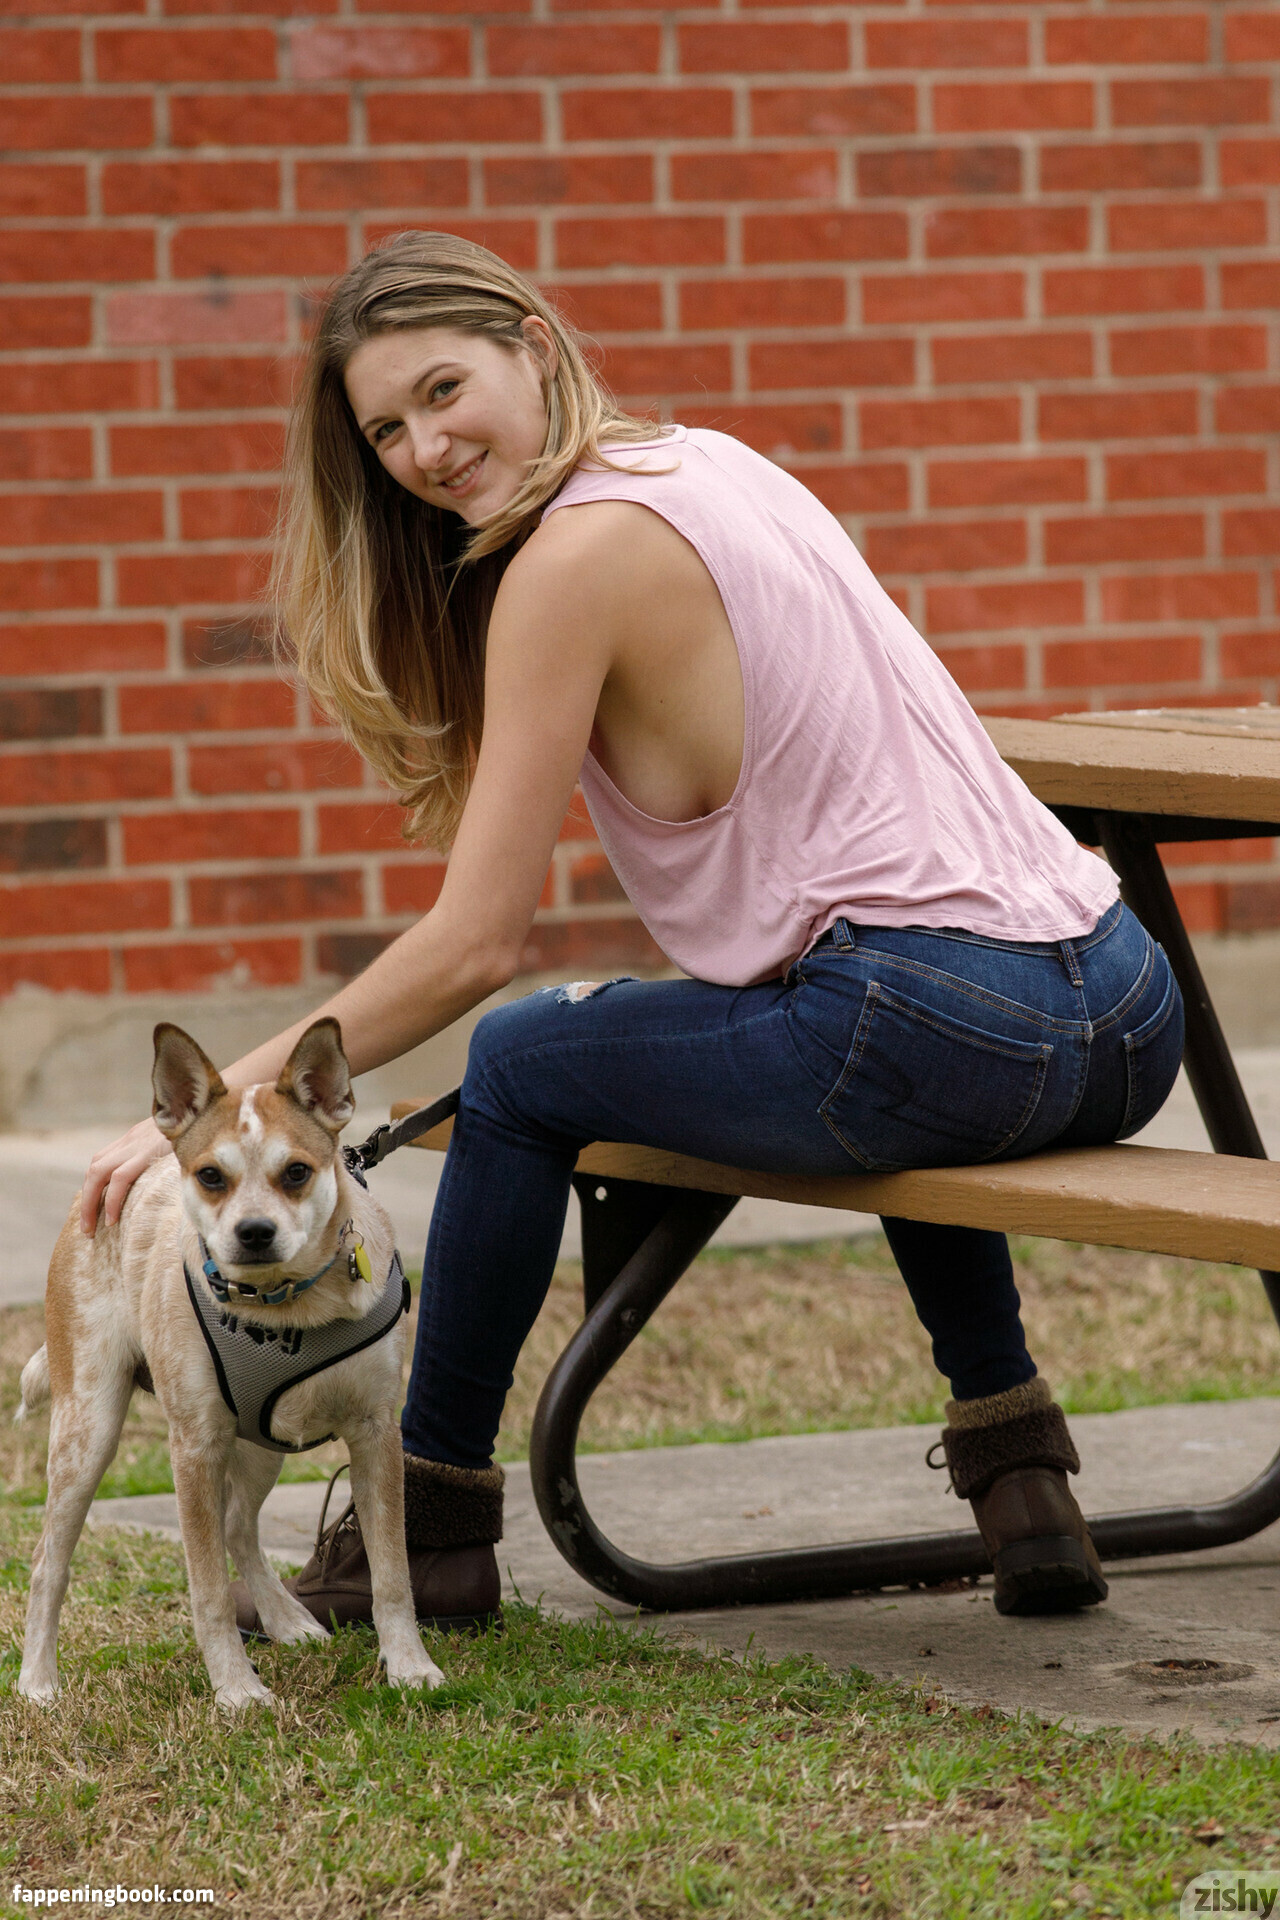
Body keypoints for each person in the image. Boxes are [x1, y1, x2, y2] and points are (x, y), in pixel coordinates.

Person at [82, 230, 1185, 1633]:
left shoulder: (569, 561)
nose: (425, 448)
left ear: (535, 350)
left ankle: (426, 1524)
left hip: (935, 1021)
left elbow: (478, 943)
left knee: (523, 1056)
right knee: (871, 1031)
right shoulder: (713, 463)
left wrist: (210, 1111)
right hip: (1125, 1003)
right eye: (386, 431)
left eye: (443, 390)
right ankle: (1023, 1482)